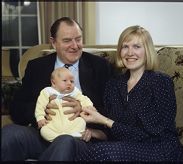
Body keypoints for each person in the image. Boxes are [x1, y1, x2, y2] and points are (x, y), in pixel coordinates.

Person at [1, 17, 116, 161]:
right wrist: (42, 112)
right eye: (67, 40)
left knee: (64, 141)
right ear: (54, 42)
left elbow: (115, 110)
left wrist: (83, 109)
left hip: (78, 138)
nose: (74, 46)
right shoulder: (36, 67)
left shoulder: (100, 66)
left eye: (78, 39)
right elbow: (17, 108)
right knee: (9, 133)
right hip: (43, 134)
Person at [75, 25, 183, 161]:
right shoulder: (113, 84)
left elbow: (154, 134)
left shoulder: (161, 82)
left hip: (160, 147)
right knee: (81, 148)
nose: (130, 53)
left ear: (147, 51)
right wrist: (94, 133)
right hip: (127, 146)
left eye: (137, 47)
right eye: (125, 46)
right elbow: (112, 132)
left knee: (102, 152)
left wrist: (103, 119)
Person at [35, 67, 94, 142]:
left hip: (71, 123)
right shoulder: (47, 91)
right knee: (44, 130)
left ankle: (73, 135)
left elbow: (84, 99)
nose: (69, 83)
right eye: (65, 81)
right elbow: (40, 104)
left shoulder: (74, 92)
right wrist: (40, 117)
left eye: (72, 81)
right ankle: (57, 138)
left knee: (81, 121)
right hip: (53, 124)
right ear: (53, 83)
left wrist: (88, 106)